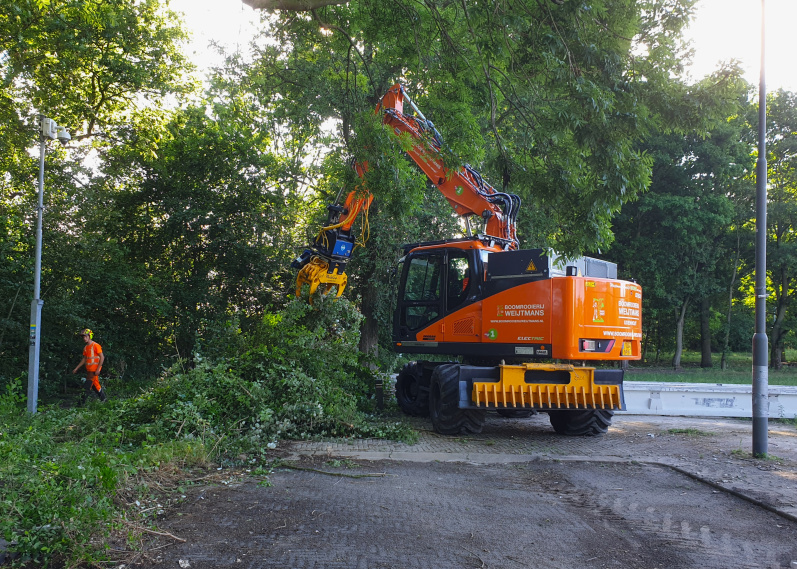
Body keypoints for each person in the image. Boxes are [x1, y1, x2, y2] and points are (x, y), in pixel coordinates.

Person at [72, 328, 107, 402]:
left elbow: (102, 357)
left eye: (86, 336)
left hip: (94, 370)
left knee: (87, 386)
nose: (84, 338)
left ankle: (81, 403)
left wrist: (98, 369)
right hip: (89, 370)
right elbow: (84, 359)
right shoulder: (85, 348)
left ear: (90, 336)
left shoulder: (96, 345)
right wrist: (77, 368)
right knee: (96, 386)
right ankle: (104, 400)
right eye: (83, 337)